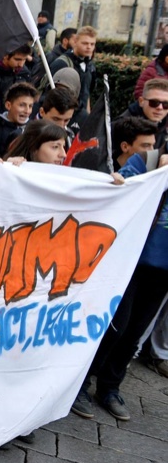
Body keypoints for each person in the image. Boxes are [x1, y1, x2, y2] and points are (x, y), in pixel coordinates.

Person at [71, 147, 168, 421]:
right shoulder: (147, 161)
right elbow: (120, 192)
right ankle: (80, 384)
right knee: (115, 327)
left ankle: (110, 387)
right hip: (130, 262)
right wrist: (157, 176)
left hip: (162, 272)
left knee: (134, 332)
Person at [48, 25, 96, 114]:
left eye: (92, 44)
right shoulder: (62, 63)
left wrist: (87, 115)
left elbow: (86, 93)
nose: (89, 47)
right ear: (75, 42)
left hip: (81, 115)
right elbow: (51, 93)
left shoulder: (90, 65)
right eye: (85, 43)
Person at [120, 77, 168, 147]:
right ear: (141, 101)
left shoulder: (164, 124)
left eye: (166, 104)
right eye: (154, 102)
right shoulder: (122, 126)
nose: (160, 108)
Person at [4, 119, 68, 164]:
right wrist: (8, 167)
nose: (63, 155)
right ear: (34, 148)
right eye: (55, 147)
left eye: (63, 147)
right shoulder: (11, 170)